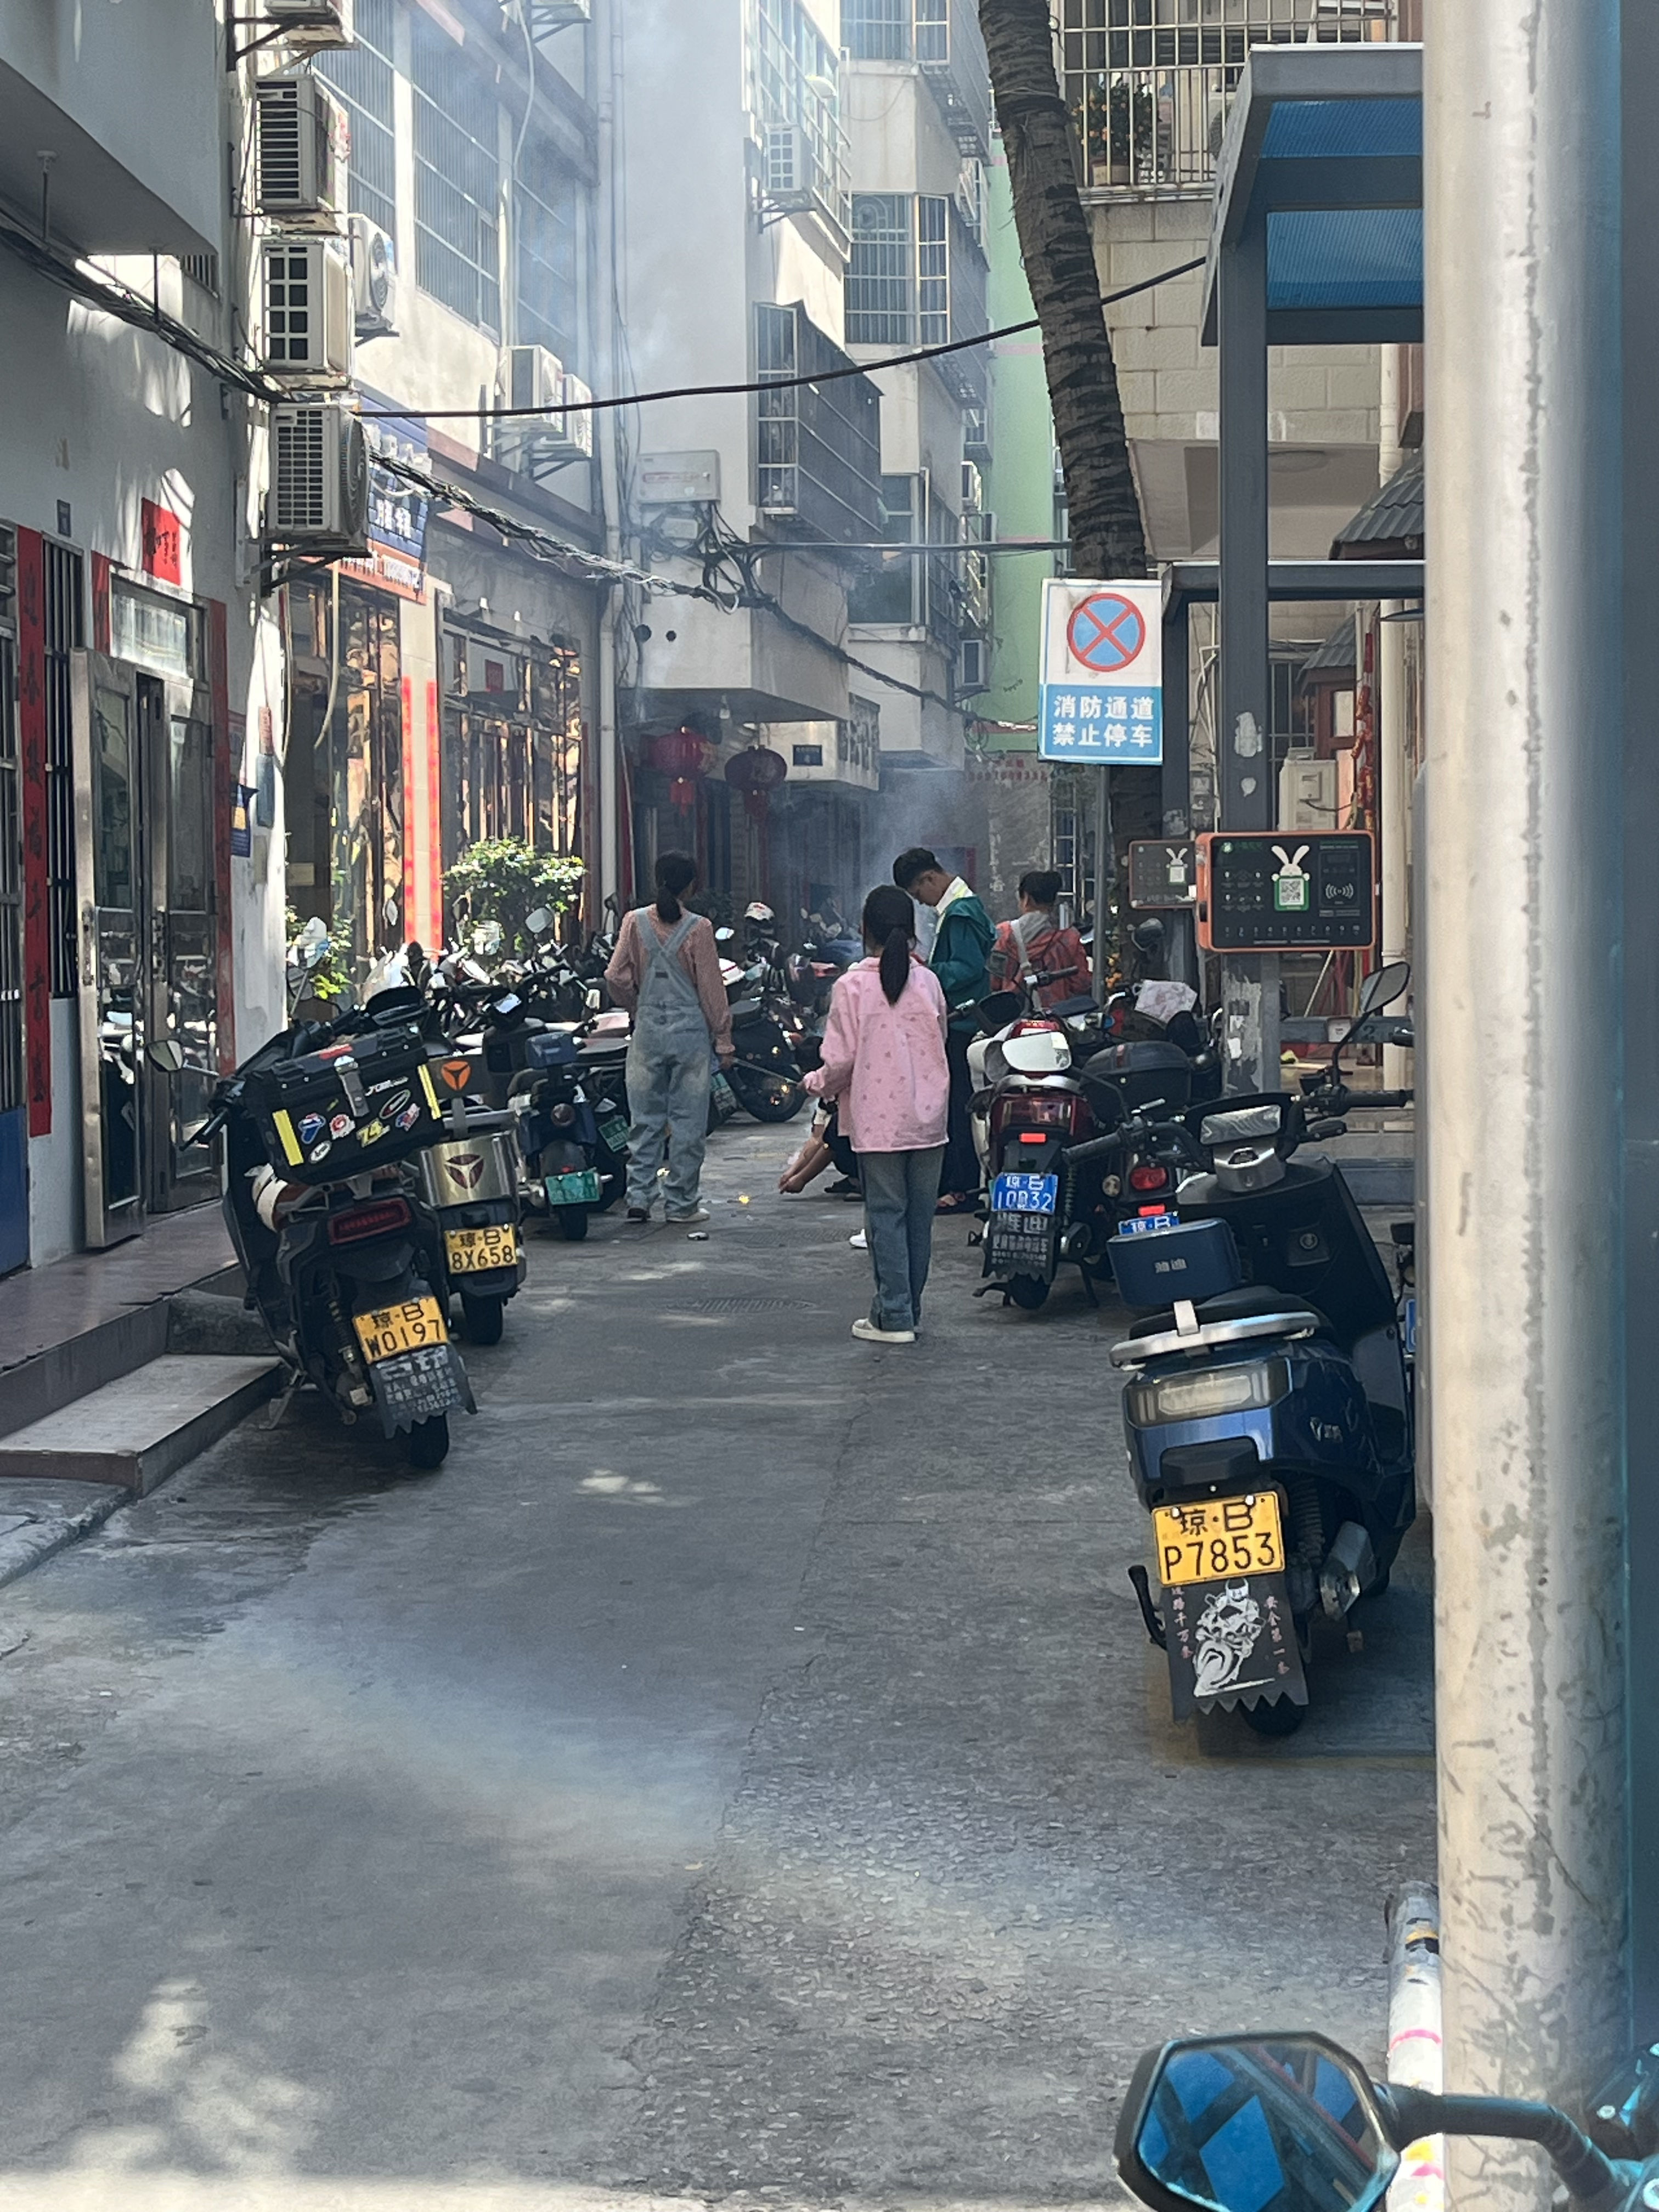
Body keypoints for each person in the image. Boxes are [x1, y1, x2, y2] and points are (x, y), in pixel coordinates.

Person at [804, 885, 950, 1344]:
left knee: (886, 1216)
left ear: (864, 928)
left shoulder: (851, 987)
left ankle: (895, 1316)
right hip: (930, 1119)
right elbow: (941, 1040)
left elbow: (840, 1061)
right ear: (911, 929)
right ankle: (907, 1311)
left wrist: (817, 1083)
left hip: (879, 1120)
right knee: (919, 1219)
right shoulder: (929, 983)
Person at [603, 852, 734, 1225]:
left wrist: (635, 1006)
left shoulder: (634, 922)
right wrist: (724, 1040)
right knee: (688, 1123)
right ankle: (681, 1203)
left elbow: (615, 976)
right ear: (690, 886)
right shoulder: (699, 928)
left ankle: (639, 1197)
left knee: (644, 1120)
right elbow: (711, 989)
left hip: (647, 1033)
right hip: (689, 1036)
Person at [891, 847, 994, 1213]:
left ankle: (961, 1187)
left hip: (964, 1022)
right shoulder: (963, 906)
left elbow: (967, 968)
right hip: (967, 1019)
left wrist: (926, 972)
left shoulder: (960, 913)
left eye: (918, 893)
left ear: (930, 878)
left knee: (958, 1106)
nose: (920, 902)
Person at [990, 870, 1091, 1011]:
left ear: (1027, 898)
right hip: (1055, 1016)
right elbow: (1081, 983)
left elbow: (994, 982)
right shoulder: (1068, 938)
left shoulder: (1004, 934)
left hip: (1014, 1016)